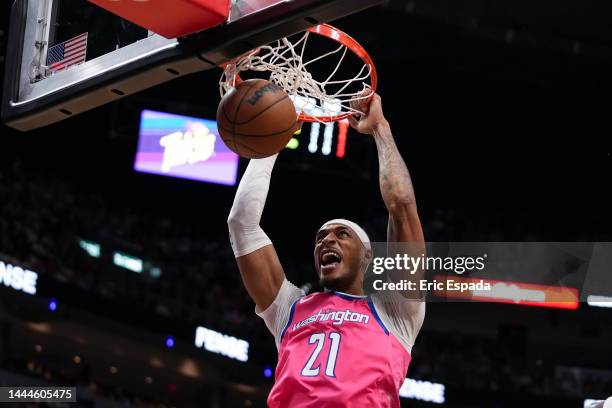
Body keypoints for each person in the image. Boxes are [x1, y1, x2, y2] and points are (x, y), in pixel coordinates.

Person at [227, 93, 425, 407]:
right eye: (320, 237)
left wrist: (380, 129)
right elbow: (242, 224)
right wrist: (273, 134)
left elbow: (401, 206)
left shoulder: (395, 310)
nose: (326, 241)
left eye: (341, 234)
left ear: (368, 256)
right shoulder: (290, 308)